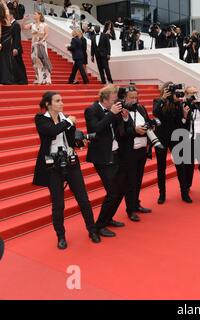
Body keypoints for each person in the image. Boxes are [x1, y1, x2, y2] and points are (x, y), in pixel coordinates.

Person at [33, 91, 101, 249]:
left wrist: (80, 140)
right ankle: (61, 236)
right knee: (58, 204)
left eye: (61, 100)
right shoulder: (41, 119)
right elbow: (51, 131)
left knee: (83, 199)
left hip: (70, 161)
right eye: (57, 101)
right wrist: (68, 122)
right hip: (52, 165)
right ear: (48, 104)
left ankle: (92, 230)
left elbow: (71, 141)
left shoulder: (67, 119)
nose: (61, 103)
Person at [84, 85, 133, 238]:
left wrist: (124, 117)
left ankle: (108, 217)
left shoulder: (115, 110)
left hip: (117, 154)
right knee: (112, 192)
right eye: (113, 99)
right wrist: (111, 114)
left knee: (122, 188)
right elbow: (95, 128)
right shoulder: (92, 110)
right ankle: (100, 226)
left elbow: (122, 131)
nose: (116, 101)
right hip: (102, 157)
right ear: (105, 99)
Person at [152, 82, 190, 204]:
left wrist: (184, 115)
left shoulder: (178, 103)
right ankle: (162, 194)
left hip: (176, 138)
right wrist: (163, 98)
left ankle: (184, 193)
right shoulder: (158, 101)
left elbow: (180, 122)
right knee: (161, 167)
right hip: (162, 138)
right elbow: (155, 113)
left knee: (181, 166)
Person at [118, 86, 152, 221]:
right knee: (130, 181)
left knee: (138, 179)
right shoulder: (120, 111)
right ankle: (130, 209)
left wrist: (150, 125)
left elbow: (148, 121)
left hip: (142, 148)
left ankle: (136, 204)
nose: (134, 100)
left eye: (136, 97)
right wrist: (135, 130)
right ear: (123, 98)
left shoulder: (141, 108)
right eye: (131, 97)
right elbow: (121, 132)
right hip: (128, 150)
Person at [23, 12, 52, 85]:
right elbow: (24, 27)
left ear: (39, 15)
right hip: (34, 45)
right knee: (35, 61)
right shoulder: (32, 24)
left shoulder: (44, 25)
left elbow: (47, 34)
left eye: (35, 14)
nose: (34, 15)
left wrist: (42, 41)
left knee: (44, 60)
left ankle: (47, 80)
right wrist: (24, 19)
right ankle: (39, 78)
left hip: (41, 44)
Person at [10, 10, 27, 84]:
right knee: (16, 65)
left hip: (16, 49)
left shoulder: (16, 24)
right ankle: (19, 80)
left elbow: (17, 38)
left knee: (19, 65)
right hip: (12, 48)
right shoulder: (11, 24)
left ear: (11, 15)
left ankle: (22, 80)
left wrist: (16, 48)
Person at [0, 3, 14, 84]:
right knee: (6, 60)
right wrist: (4, 4)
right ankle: (6, 79)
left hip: (2, 41)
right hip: (8, 42)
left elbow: (0, 32)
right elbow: (7, 11)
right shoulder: (7, 19)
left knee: (2, 61)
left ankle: (2, 79)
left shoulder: (1, 20)